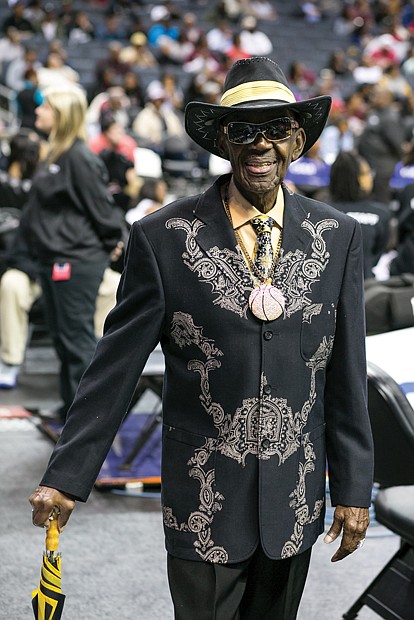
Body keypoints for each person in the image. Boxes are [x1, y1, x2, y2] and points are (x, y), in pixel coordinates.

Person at [30, 57, 374, 620]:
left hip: (296, 498)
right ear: (221, 140)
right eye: (243, 130)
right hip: (204, 498)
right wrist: (66, 477)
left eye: (275, 129)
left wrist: (355, 488)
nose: (259, 145)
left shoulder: (338, 237)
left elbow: (345, 376)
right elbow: (114, 368)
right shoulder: (162, 238)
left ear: (297, 138)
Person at [20, 83, 125, 422]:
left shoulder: (79, 157)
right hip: (53, 259)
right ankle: (71, 407)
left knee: (77, 342)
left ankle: (88, 420)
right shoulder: (56, 153)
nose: (38, 111)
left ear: (62, 115)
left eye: (45, 107)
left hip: (76, 260)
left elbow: (103, 209)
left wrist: (115, 242)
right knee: (63, 341)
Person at [328, 151, 392, 279]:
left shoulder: (321, 209)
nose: (370, 177)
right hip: (365, 285)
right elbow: (376, 255)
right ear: (353, 178)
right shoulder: (380, 214)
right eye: (366, 173)